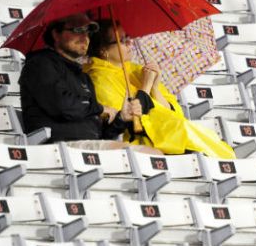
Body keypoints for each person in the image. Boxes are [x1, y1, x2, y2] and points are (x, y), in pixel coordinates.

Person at [82, 19, 236, 159]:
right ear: (103, 50)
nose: (130, 44)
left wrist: (154, 87)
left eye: (128, 38)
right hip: (143, 140)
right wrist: (146, 86)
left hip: (171, 131)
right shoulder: (99, 78)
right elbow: (129, 119)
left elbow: (173, 112)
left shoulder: (136, 69)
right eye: (122, 41)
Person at [18, 12, 161, 154]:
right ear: (56, 34)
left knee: (155, 154)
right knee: (147, 156)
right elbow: (62, 105)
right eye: (78, 30)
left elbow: (101, 133)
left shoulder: (83, 77)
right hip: (58, 146)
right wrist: (100, 109)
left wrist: (121, 119)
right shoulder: (40, 64)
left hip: (87, 148)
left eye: (89, 31)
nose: (85, 37)